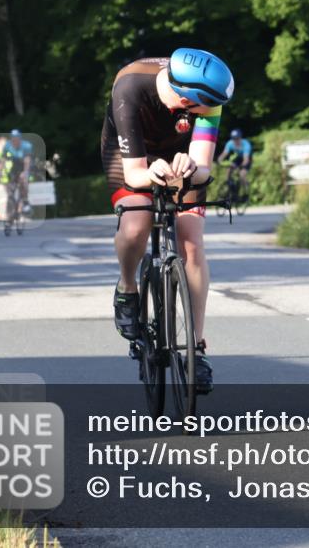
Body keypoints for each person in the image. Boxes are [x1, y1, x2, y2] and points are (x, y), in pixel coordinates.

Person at [100, 47, 234, 393]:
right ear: (187, 100)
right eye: (208, 106)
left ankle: (196, 350)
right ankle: (127, 287)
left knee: (190, 239)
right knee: (136, 225)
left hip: (178, 160)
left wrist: (192, 169)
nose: (214, 111)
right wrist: (152, 171)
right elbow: (134, 173)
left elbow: (203, 167)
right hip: (131, 156)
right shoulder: (130, 88)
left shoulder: (208, 100)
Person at [0, 129, 34, 216]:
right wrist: (0, 172)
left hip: (24, 164)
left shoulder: (26, 146)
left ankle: (25, 202)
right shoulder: (7, 145)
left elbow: (27, 161)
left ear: (20, 139)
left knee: (23, 182)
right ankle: (11, 207)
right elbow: (3, 161)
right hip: (15, 165)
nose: (14, 141)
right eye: (13, 139)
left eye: (16, 139)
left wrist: (25, 173)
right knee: (10, 186)